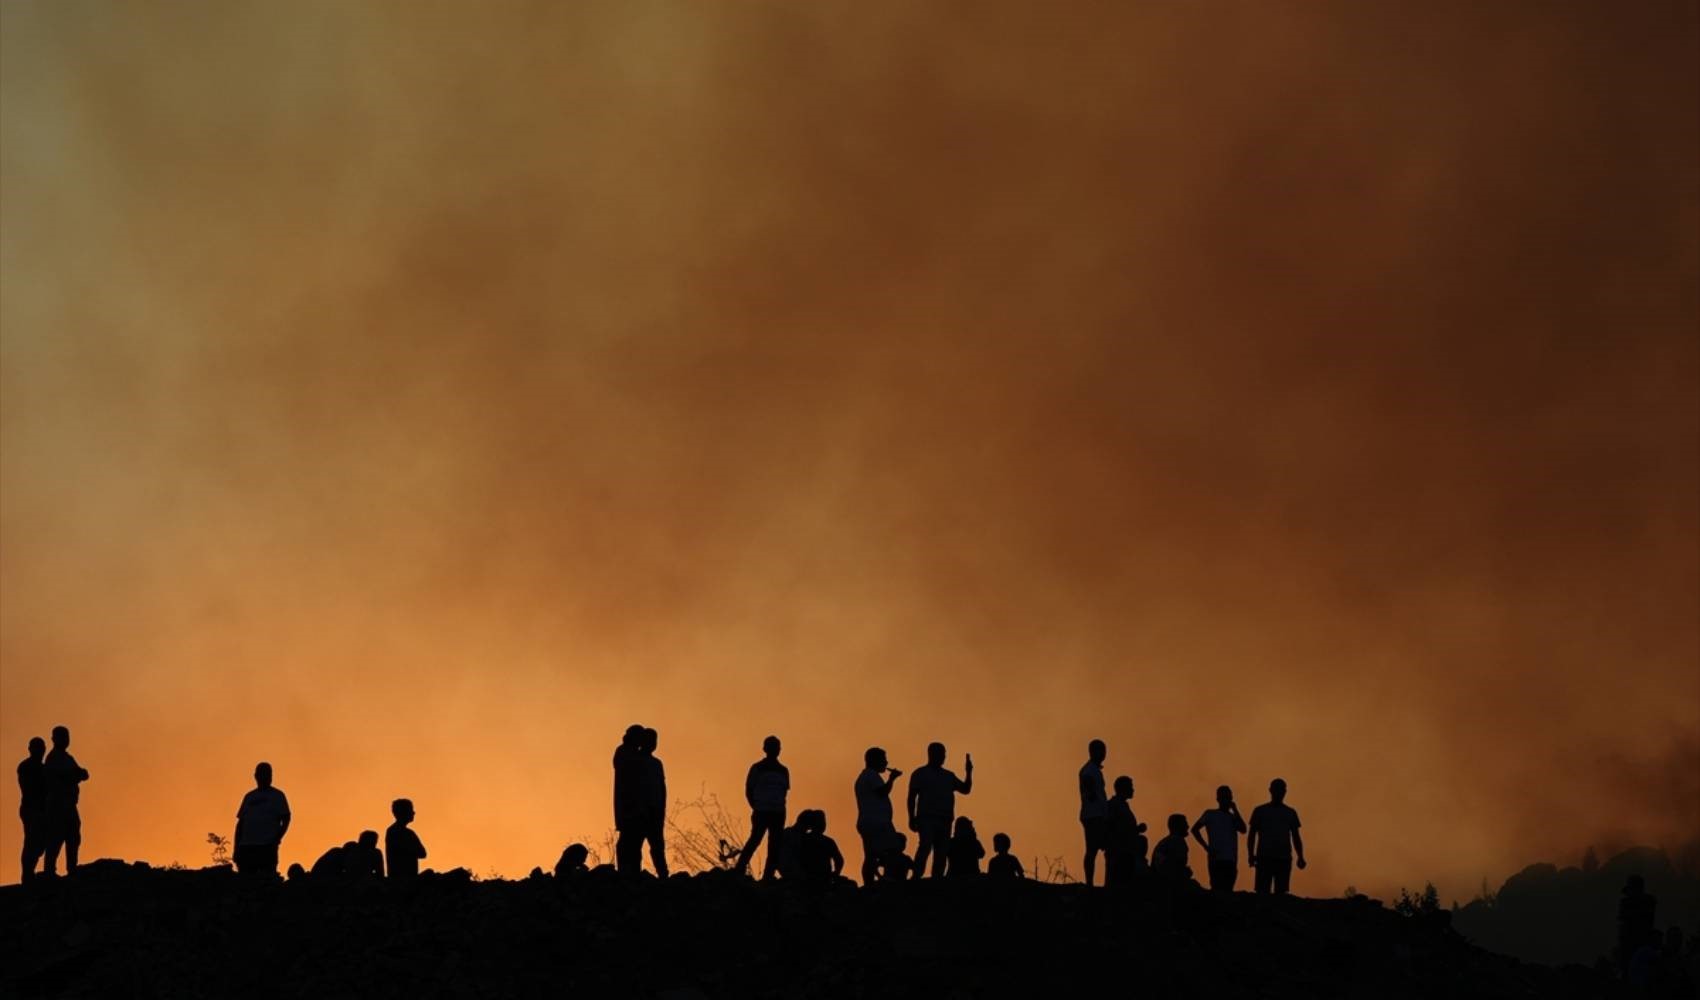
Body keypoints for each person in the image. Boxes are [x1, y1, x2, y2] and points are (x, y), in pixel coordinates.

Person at [906, 742, 972, 878]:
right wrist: (911, 818)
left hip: (945, 818)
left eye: (944, 754)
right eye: (941, 754)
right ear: (931, 754)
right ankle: (916, 876)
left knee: (941, 852)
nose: (943, 757)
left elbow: (965, 789)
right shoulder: (920, 773)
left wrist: (969, 772)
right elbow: (911, 797)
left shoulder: (948, 776)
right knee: (925, 847)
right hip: (927, 818)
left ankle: (937, 879)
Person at [734, 735, 789, 879]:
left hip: (777, 812)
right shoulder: (757, 768)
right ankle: (739, 869)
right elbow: (749, 790)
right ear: (765, 749)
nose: (775, 750)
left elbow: (784, 792)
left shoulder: (783, 770)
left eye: (776, 747)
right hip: (762, 811)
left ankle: (768, 876)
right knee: (755, 840)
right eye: (772, 747)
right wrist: (756, 806)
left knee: (774, 845)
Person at [42, 726, 89, 876]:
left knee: (73, 837)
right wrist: (74, 775)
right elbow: (61, 777)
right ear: (54, 739)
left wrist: (79, 774)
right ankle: (50, 871)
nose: (66, 740)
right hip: (57, 805)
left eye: (67, 737)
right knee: (56, 838)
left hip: (69, 804)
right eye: (62, 737)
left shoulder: (67, 758)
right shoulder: (53, 758)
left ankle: (71, 868)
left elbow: (81, 773)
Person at [1247, 778, 1305, 895]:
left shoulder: (1290, 813)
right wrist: (1250, 855)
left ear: (1285, 792)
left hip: (1283, 859)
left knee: (1281, 893)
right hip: (1264, 858)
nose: (1280, 792)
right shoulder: (1260, 811)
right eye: (1277, 789)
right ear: (1271, 791)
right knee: (1262, 892)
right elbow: (1251, 835)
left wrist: (1300, 856)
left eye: (1282, 790)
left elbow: (1296, 837)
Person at [854, 747, 903, 884]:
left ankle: (869, 883)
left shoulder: (865, 777)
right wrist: (892, 779)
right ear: (874, 760)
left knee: (871, 855)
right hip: (877, 822)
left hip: (869, 821)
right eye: (883, 759)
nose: (886, 763)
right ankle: (887, 878)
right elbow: (882, 792)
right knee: (892, 850)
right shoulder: (871, 776)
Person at [233, 761, 290, 879]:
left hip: (266, 847)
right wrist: (236, 848)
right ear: (256, 776)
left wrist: (277, 838)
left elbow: (286, 818)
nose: (266, 777)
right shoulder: (249, 797)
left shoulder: (277, 796)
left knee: (267, 881)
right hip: (247, 847)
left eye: (268, 774)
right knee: (245, 882)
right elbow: (240, 824)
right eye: (262, 774)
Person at [1191, 785, 1247, 894]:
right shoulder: (1210, 814)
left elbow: (1243, 829)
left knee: (1228, 890)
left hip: (1230, 859)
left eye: (1228, 797)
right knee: (1217, 889)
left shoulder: (1232, 817)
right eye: (1224, 797)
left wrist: (1235, 810)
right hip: (1216, 858)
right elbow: (1195, 829)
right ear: (1218, 799)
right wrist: (1206, 847)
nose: (1226, 800)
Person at [612, 725, 648, 876]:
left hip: (635, 806)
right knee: (628, 841)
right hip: (628, 806)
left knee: (635, 842)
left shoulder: (630, 753)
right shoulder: (624, 752)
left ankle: (632, 872)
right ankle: (627, 873)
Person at [1103, 775, 1146, 889]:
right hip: (1118, 852)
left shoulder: (1123, 806)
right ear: (1123, 788)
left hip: (1125, 852)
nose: (1133, 790)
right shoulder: (1113, 805)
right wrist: (1136, 830)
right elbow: (1113, 828)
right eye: (1130, 787)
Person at [638, 728, 669, 877]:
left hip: (656, 811)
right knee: (636, 845)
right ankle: (633, 876)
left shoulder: (657, 763)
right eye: (649, 740)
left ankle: (663, 874)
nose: (652, 744)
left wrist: (662, 808)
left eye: (654, 741)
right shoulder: (635, 761)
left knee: (658, 846)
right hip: (640, 811)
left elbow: (662, 787)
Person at [16, 737, 46, 883]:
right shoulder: (26, 767)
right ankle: (27, 874)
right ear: (30, 749)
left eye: (42, 747)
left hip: (40, 810)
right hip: (31, 809)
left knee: (39, 843)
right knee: (32, 842)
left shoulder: (43, 768)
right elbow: (29, 789)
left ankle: (29, 873)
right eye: (37, 747)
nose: (41, 751)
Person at [1079, 739, 1108, 887]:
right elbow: (1091, 793)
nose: (1103, 754)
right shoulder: (1089, 771)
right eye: (1100, 750)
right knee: (1092, 849)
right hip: (1092, 815)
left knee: (1095, 848)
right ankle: (1089, 882)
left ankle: (1092, 881)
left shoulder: (1093, 770)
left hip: (1097, 814)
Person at [385, 798, 427, 879]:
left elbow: (422, 853)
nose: (413, 812)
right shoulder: (403, 833)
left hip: (403, 877)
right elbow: (421, 853)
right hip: (403, 878)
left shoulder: (394, 831)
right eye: (411, 810)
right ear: (404, 812)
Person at [1151, 814, 1193, 882]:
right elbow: (1177, 866)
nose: (1188, 826)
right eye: (1185, 824)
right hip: (1168, 881)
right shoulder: (1177, 841)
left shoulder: (1163, 842)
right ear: (1178, 826)